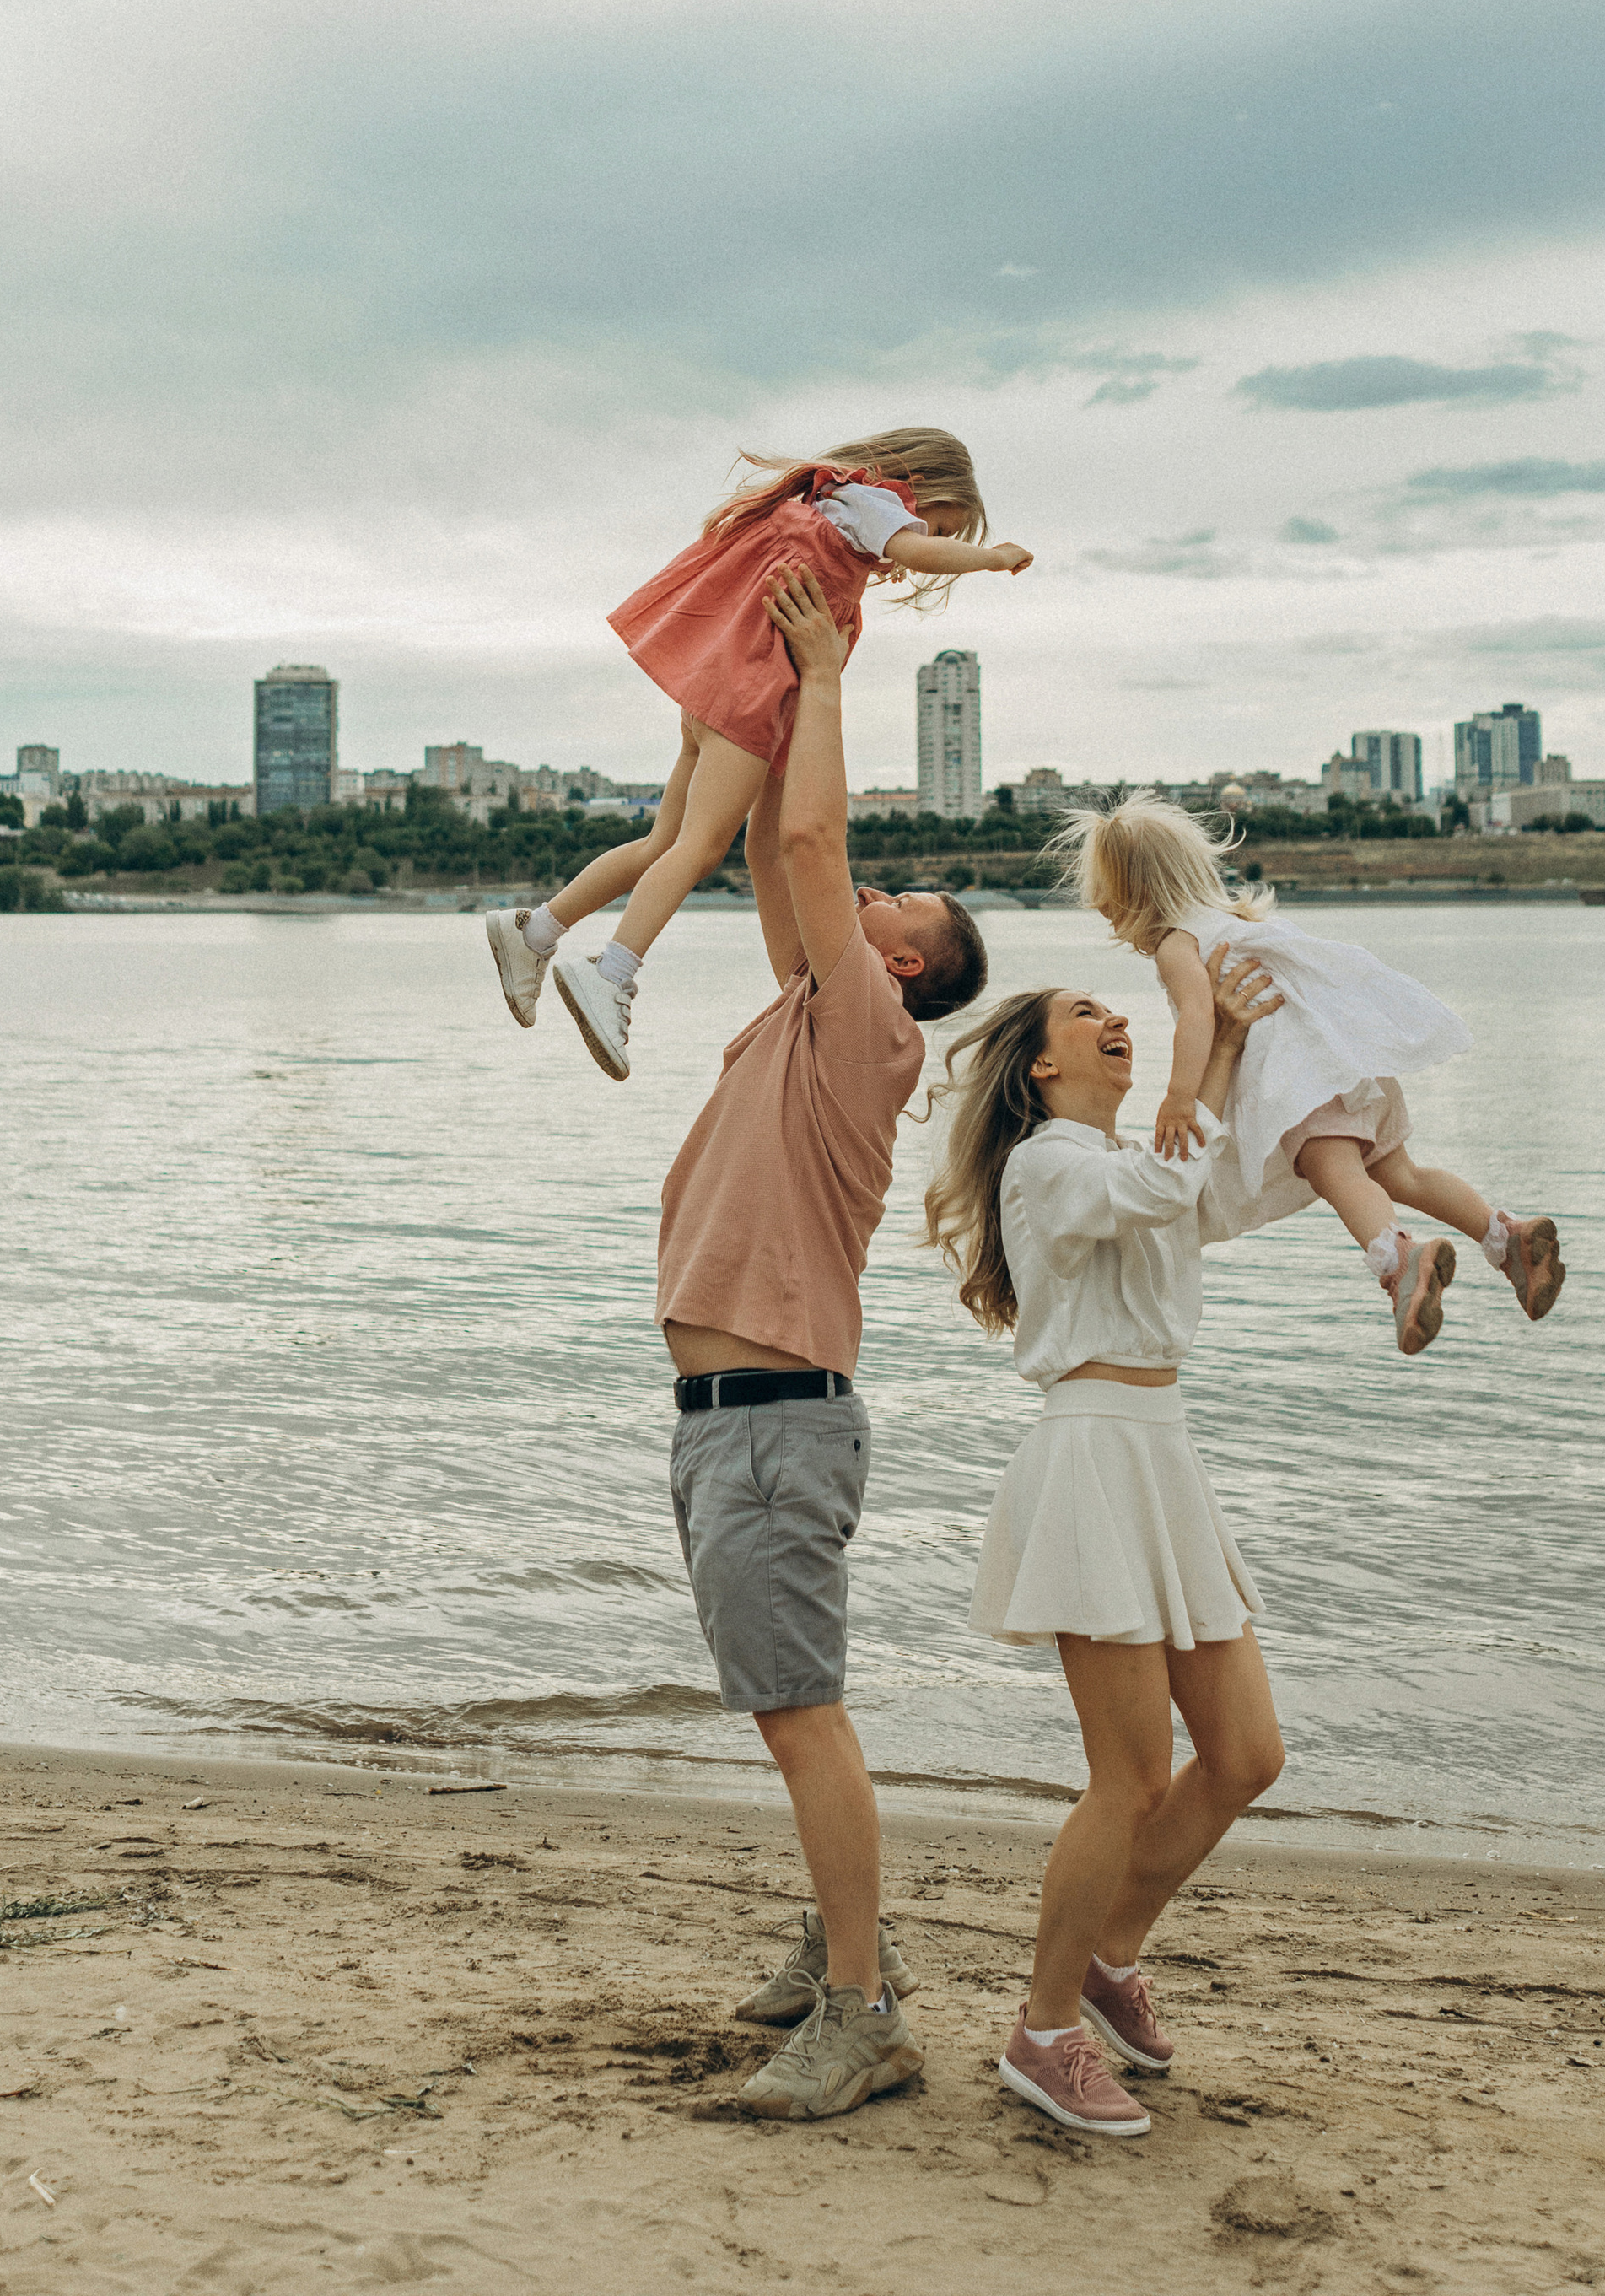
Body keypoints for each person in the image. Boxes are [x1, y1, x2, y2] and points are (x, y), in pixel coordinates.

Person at [656, 562, 988, 2121]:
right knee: (789, 1706)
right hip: (736, 1416)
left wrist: (831, 675)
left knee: (803, 1713)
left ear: (907, 965)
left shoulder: (872, 1028)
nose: (861, 898)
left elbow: (802, 838)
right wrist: (749, 696)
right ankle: (840, 1943)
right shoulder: (805, 1009)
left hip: (776, 1418)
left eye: (888, 908)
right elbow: (763, 848)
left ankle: (861, 2011)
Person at [924, 953, 1288, 2137]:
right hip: (1090, 1455)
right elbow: (1157, 1190)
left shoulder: (1136, 1159)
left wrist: (1232, 1045)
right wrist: (1203, 1040)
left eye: (1120, 1010)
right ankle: (1042, 2035)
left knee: (1244, 1754)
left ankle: (1108, 1950)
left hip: (1163, 1453)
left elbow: (1214, 1190)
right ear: (1042, 1062)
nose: (1113, 1019)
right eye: (1089, 1014)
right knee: (1127, 1778)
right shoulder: (1046, 1164)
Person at [484, 430, 1029, 1079]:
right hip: (750, 694)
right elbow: (911, 546)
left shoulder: (834, 502)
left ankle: (537, 931)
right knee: (702, 846)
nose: (912, 556)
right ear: (924, 490)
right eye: (941, 525)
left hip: (723, 689)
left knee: (665, 840)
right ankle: (613, 971)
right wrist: (990, 559)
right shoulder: (879, 503)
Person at [1061, 791, 1566, 1352]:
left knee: (1337, 1175)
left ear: (1133, 893)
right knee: (1403, 1176)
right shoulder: (1234, 922)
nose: (1100, 909)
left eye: (1104, 898)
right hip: (1347, 1065)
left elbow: (1198, 1017)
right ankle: (1505, 1237)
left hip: (1299, 1082)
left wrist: (1179, 1097)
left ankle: (1400, 1260)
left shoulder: (1179, 944)